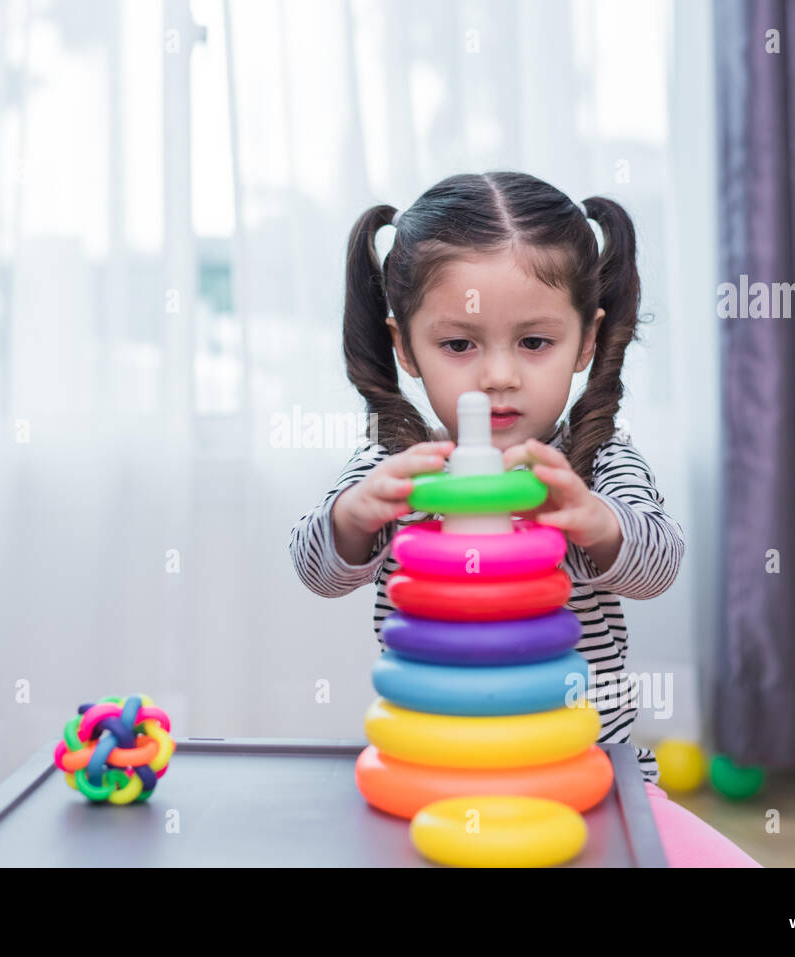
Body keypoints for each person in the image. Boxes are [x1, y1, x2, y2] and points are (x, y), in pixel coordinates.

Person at [289, 170, 759, 867]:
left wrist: (590, 520)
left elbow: (660, 560)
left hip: (588, 778)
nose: (499, 376)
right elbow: (315, 565)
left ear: (587, 340)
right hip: (438, 782)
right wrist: (356, 517)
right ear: (406, 347)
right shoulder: (397, 469)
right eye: (460, 344)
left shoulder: (597, 464)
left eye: (534, 342)